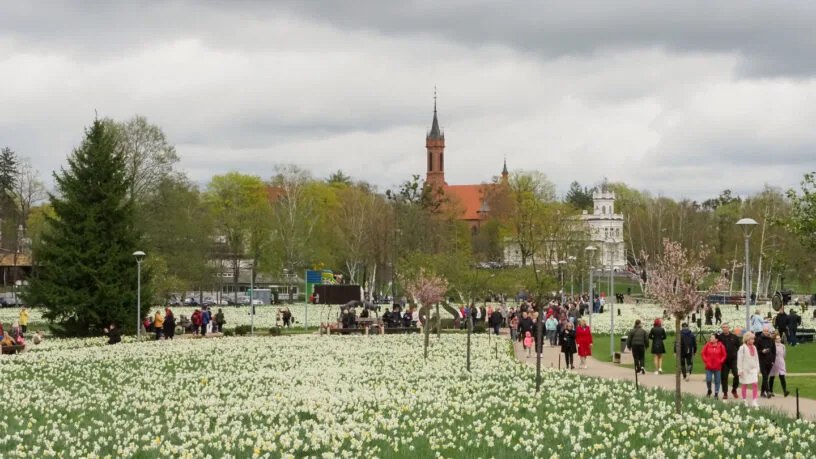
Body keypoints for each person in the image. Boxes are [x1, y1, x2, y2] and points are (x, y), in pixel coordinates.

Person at [717, 323, 742, 400]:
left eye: (726, 327)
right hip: (724, 361)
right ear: (722, 328)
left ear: (729, 328)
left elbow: (739, 347)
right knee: (724, 377)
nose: (725, 328)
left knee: (737, 375)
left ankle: (734, 390)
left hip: (734, 360)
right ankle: (725, 393)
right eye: (723, 327)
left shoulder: (734, 337)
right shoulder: (719, 337)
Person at [737, 331, 761, 408]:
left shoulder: (754, 347)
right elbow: (739, 360)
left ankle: (754, 401)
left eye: (753, 339)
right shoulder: (742, 348)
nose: (753, 341)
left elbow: (756, 359)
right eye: (752, 339)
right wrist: (740, 370)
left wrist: (758, 369)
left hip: (753, 369)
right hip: (745, 369)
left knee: (755, 384)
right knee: (744, 384)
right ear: (747, 339)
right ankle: (744, 400)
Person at [701, 333, 727, 398]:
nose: (710, 339)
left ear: (716, 339)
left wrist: (720, 361)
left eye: (712, 338)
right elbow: (703, 353)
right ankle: (709, 389)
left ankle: (716, 393)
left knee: (717, 380)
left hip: (717, 367)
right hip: (709, 366)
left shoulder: (721, 346)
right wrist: (706, 360)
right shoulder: (707, 345)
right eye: (710, 337)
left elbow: (724, 355)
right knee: (708, 380)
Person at [755, 325, 776, 398]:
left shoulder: (771, 340)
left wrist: (773, 361)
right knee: (765, 376)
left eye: (767, 331)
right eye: (765, 331)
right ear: (762, 331)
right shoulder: (758, 339)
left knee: (766, 376)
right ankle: (768, 391)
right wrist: (761, 351)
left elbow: (774, 351)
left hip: (770, 361)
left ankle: (762, 392)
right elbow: (756, 350)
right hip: (762, 360)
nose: (766, 332)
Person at [769, 333, 790, 397]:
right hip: (774, 363)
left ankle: (785, 391)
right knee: (772, 376)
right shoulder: (772, 345)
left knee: (782, 376)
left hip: (781, 362)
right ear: (774, 340)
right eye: (777, 339)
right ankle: (771, 391)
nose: (779, 339)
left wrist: (782, 360)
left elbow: (784, 355)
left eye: (779, 338)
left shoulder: (783, 346)